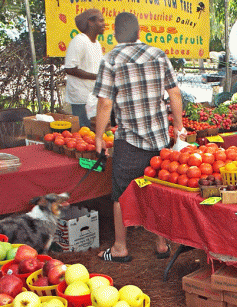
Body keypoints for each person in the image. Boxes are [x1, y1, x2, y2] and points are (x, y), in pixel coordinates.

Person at [93, 12, 185, 261]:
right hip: (159, 139)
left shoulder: (110, 59)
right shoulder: (158, 55)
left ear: (115, 34)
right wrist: (178, 126)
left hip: (129, 140)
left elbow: (104, 103)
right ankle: (161, 244)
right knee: (158, 189)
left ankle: (120, 248)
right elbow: (175, 93)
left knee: (121, 194)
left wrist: (99, 136)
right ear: (138, 32)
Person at [64, 9, 105, 129]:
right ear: (90, 22)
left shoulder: (97, 44)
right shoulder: (79, 41)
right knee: (83, 132)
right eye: (101, 21)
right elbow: (70, 68)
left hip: (92, 96)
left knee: (93, 132)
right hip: (81, 97)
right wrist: (97, 77)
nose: (104, 24)